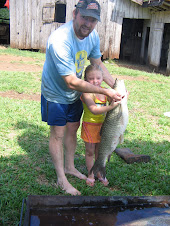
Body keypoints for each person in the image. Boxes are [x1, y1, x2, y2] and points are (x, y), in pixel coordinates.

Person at [41, 0, 122, 196]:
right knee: (57, 134)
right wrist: (105, 92)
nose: (88, 23)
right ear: (75, 14)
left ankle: (69, 167)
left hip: (74, 94)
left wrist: (115, 86)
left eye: (93, 20)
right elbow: (71, 81)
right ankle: (62, 179)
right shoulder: (60, 39)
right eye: (85, 17)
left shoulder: (92, 36)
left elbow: (97, 63)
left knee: (72, 129)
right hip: (56, 93)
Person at [81, 64, 121, 187]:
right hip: (90, 126)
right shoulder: (86, 93)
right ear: (86, 80)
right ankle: (91, 174)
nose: (95, 81)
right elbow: (93, 109)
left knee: (100, 151)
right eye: (91, 78)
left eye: (98, 78)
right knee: (90, 152)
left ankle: (99, 172)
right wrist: (110, 107)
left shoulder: (105, 92)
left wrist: (121, 97)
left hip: (103, 127)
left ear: (102, 78)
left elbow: (116, 100)